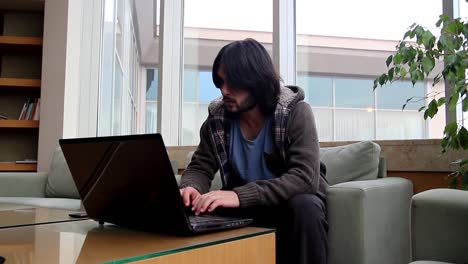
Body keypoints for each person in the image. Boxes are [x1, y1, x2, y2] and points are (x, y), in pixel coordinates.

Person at [179, 38, 329, 264]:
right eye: (220, 82)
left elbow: (304, 178)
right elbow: (200, 166)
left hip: (287, 205)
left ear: (257, 80)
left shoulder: (296, 112)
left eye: (234, 83)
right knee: (198, 209)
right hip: (247, 207)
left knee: (305, 206)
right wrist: (190, 188)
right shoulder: (218, 119)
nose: (224, 90)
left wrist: (238, 195)